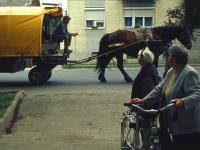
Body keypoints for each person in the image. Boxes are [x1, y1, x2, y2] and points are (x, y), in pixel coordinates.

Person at [130, 45, 200, 150]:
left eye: (169, 56)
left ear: (175, 59)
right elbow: (159, 89)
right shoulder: (171, 71)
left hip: (187, 126)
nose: (168, 58)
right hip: (173, 123)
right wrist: (144, 101)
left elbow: (197, 94)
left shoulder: (189, 73)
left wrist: (183, 101)